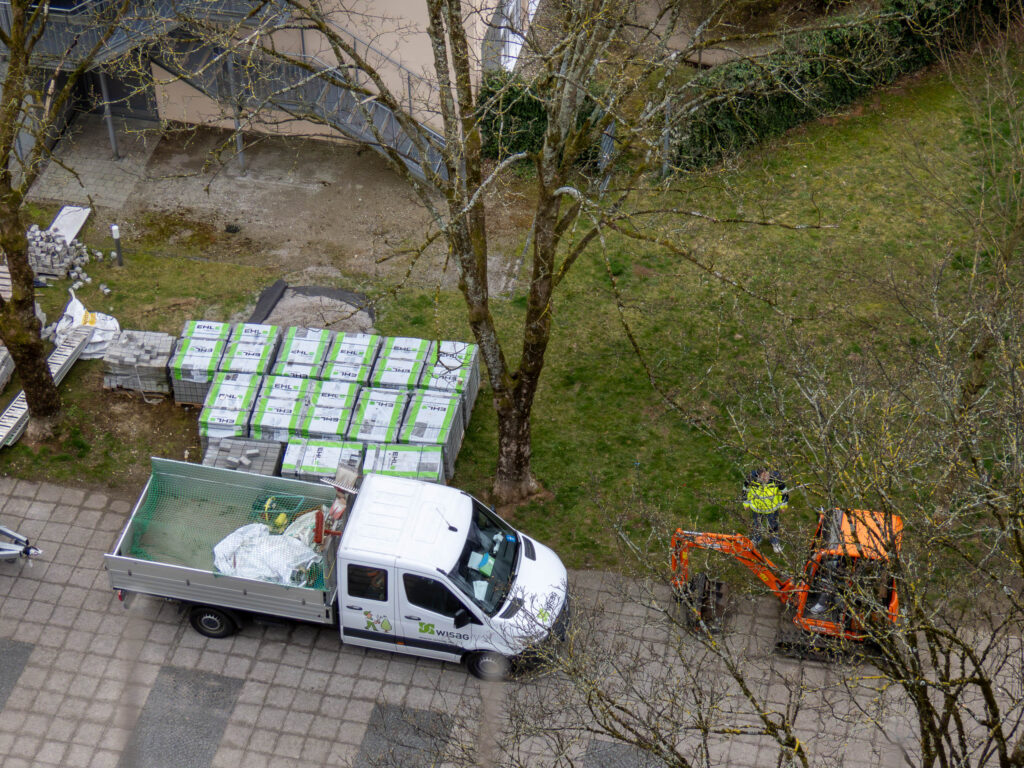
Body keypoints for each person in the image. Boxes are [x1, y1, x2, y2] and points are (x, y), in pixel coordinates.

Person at [743, 468, 788, 553]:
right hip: (757, 508)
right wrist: (746, 503)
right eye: (762, 476)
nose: (765, 478)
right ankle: (756, 539)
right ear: (758, 475)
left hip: (772, 508)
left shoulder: (776, 478)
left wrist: (783, 505)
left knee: (773, 526)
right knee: (757, 525)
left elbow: (784, 492)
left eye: (767, 475)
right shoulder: (751, 479)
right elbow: (745, 490)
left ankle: (775, 542)